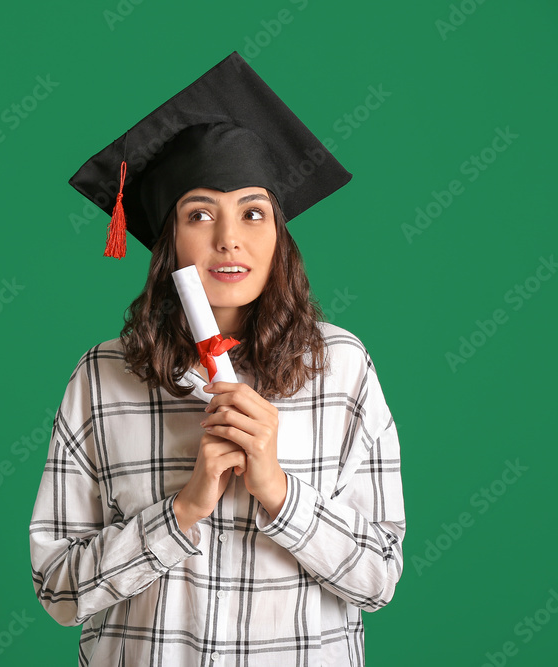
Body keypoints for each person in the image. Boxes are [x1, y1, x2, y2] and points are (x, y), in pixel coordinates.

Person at [28, 52, 405, 666]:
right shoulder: (102, 376)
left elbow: (379, 579)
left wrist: (278, 491)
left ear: (278, 234)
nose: (229, 239)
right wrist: (184, 510)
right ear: (168, 238)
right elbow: (59, 591)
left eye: (253, 213)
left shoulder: (341, 368)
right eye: (199, 214)